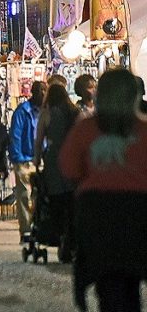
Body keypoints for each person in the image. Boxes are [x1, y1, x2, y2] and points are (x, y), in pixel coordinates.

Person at [60, 68, 147, 312]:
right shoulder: (144, 130)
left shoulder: (85, 129)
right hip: (139, 209)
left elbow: (68, 168)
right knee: (132, 273)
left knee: (108, 279)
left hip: (97, 209)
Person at [35, 83, 79, 263]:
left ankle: (60, 235)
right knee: (72, 201)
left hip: (54, 160)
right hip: (73, 158)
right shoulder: (75, 112)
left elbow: (39, 140)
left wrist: (36, 160)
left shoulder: (47, 114)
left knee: (56, 199)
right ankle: (71, 239)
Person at [10, 80, 46, 241]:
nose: (43, 95)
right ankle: (25, 231)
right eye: (41, 91)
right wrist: (17, 159)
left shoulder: (45, 112)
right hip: (24, 159)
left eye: (45, 91)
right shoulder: (22, 111)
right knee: (24, 195)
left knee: (40, 196)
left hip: (41, 159)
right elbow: (15, 136)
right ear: (34, 93)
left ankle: (38, 227)